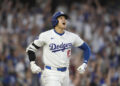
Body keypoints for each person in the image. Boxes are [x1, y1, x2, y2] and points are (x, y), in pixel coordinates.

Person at [26, 11, 91, 86]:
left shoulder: (72, 36)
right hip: (51, 73)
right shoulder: (46, 35)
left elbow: (87, 49)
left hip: (66, 73)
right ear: (55, 21)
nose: (64, 20)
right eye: (61, 18)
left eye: (65, 18)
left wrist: (84, 64)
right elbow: (31, 49)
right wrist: (32, 64)